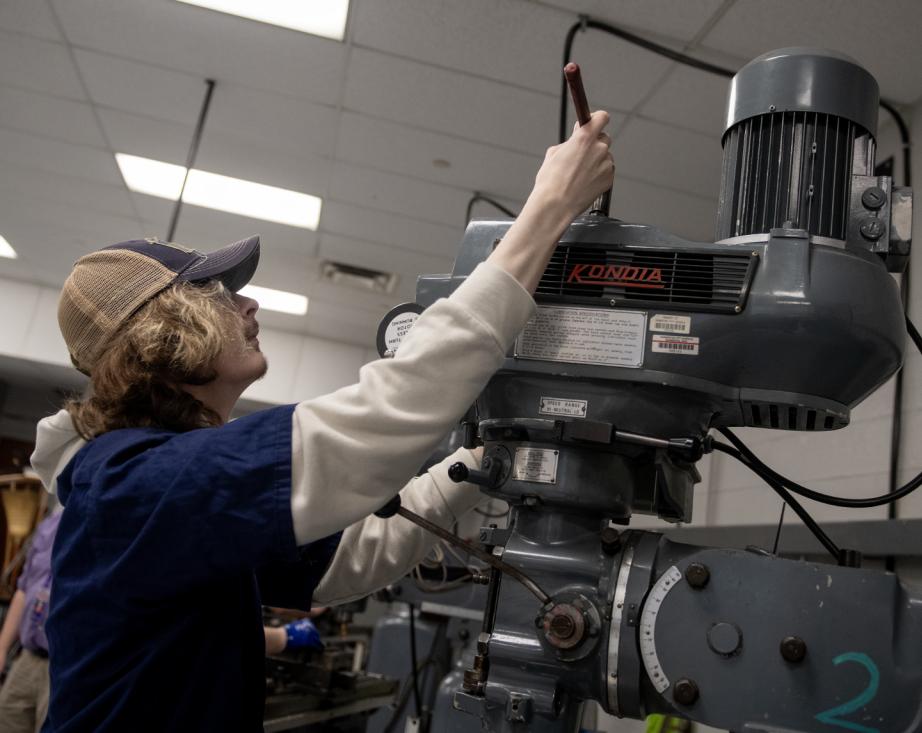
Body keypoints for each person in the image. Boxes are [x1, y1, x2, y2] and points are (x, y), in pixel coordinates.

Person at [30, 113, 613, 731]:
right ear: (165, 332)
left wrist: (478, 466)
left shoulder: (162, 490)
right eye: (218, 292)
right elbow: (382, 414)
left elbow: (351, 558)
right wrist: (548, 209)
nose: (247, 301)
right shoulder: (139, 487)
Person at [0, 510, 62, 733]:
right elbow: (24, 589)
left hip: (62, 665)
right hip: (27, 659)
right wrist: (2, 647)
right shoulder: (51, 523)